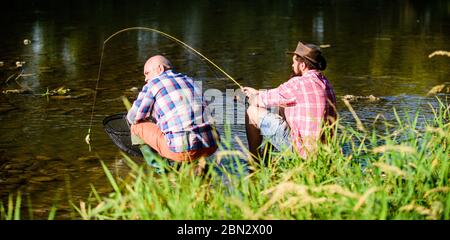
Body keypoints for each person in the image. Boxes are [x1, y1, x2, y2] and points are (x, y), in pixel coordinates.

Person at [242, 41, 337, 159]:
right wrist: (258, 92)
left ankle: (254, 162)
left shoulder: (298, 83)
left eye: (294, 62)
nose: (292, 66)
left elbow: (259, 101)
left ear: (302, 65)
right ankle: (269, 159)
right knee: (280, 108)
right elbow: (277, 95)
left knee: (252, 112)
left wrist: (250, 97)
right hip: (323, 153)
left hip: (302, 152)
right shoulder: (326, 84)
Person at [127, 55, 218, 162]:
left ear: (160, 69)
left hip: (182, 151)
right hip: (211, 145)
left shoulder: (153, 83)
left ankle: (163, 170)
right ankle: (197, 167)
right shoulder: (191, 81)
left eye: (147, 73)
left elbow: (132, 117)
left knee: (136, 126)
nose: (146, 79)